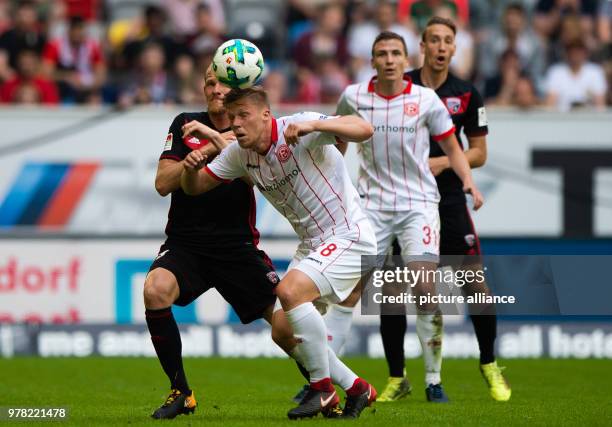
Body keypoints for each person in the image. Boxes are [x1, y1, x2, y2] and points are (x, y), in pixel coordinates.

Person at [180, 86, 379, 419]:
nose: (236, 124)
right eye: (232, 118)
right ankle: (357, 388)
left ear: (265, 115)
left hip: (350, 234)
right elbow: (196, 187)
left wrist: (318, 127)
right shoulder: (239, 154)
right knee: (282, 330)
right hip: (313, 244)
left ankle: (322, 390)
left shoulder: (299, 126)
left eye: (243, 115)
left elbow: (364, 130)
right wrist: (188, 169)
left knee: (288, 291)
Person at [332, 29, 484, 403]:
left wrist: (468, 182)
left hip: (418, 204)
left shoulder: (426, 100)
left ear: (405, 60)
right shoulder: (353, 97)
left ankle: (433, 379)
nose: (388, 59)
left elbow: (453, 146)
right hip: (371, 206)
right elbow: (337, 143)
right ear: (372, 61)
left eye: (395, 53)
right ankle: (321, 377)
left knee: (424, 285)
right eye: (381, 53)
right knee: (350, 289)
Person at [143, 65, 284, 419]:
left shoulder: (247, 125)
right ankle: (181, 392)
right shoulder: (184, 123)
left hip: (236, 246)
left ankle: (322, 387)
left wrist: (213, 145)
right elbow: (163, 183)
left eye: (222, 81)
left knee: (284, 320)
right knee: (155, 290)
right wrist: (201, 152)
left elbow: (258, 179)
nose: (215, 87)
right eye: (209, 82)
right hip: (187, 244)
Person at [397, 16, 510, 402]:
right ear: (423, 46)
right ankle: (400, 378)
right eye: (435, 40)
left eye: (448, 41)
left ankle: (489, 363)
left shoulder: (467, 94)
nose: (442, 47)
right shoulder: (402, 86)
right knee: (394, 290)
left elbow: (478, 152)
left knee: (475, 286)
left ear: (454, 48)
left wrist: (444, 162)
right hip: (403, 199)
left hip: (447, 198)